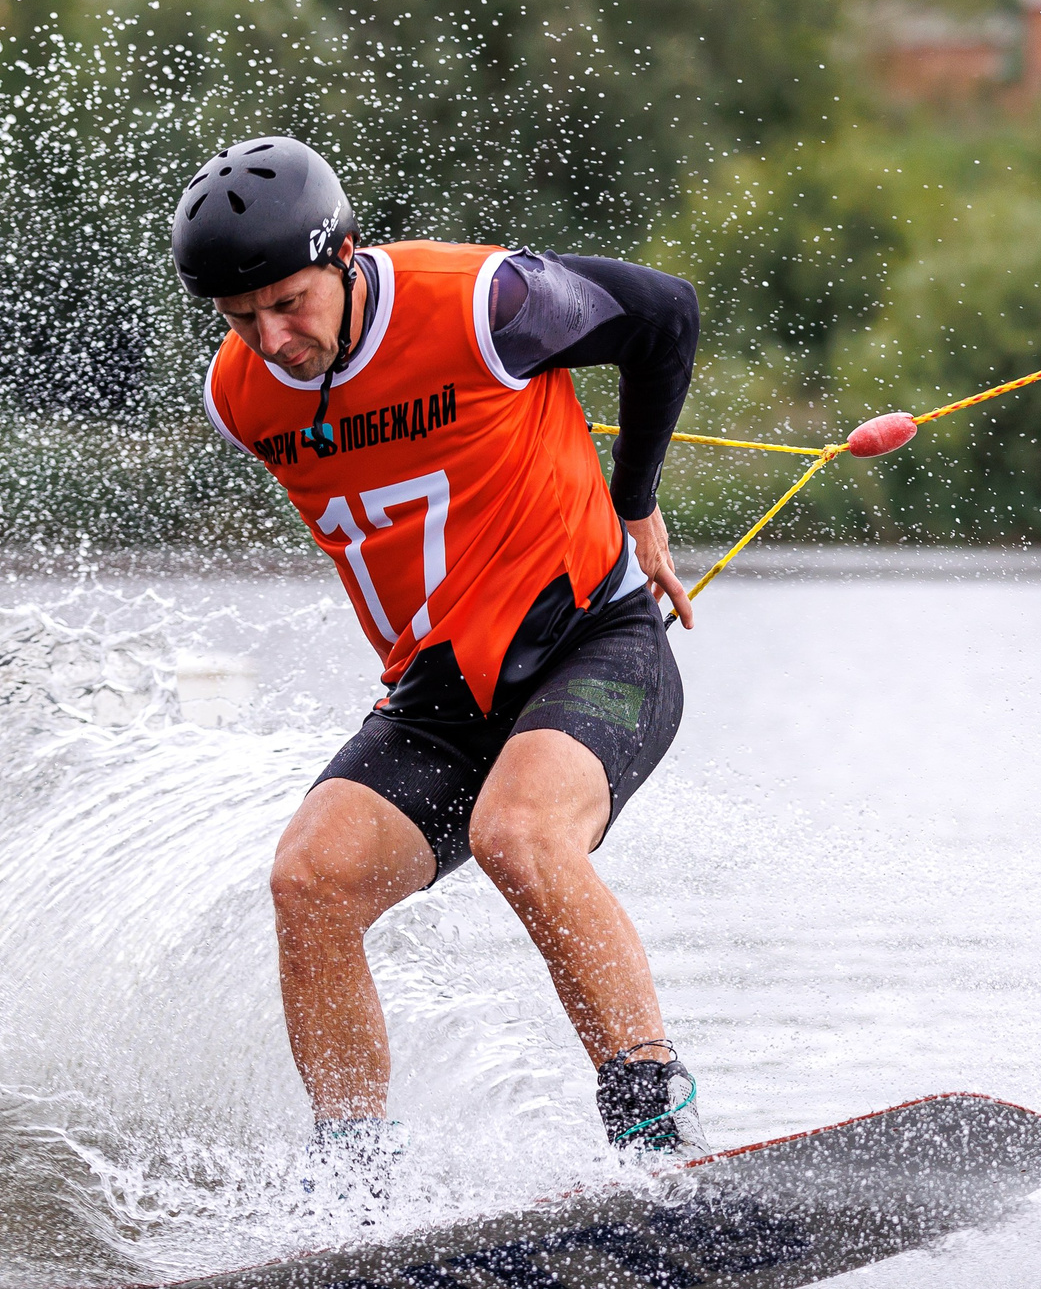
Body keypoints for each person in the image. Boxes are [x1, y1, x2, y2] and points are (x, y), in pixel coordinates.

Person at [173, 136, 707, 1167]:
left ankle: (656, 1130)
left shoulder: (487, 304)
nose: (272, 338)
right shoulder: (238, 395)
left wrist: (632, 500)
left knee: (519, 833)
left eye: (289, 303)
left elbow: (665, 313)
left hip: (588, 641)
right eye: (240, 320)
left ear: (345, 254)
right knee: (309, 882)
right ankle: (357, 1180)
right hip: (439, 693)